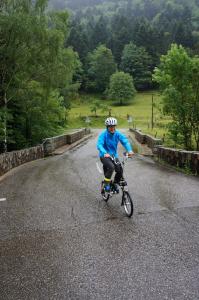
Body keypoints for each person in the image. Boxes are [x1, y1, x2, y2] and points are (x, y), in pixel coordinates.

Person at [97, 117, 134, 192]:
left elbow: (125, 141)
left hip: (114, 156)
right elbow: (99, 145)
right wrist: (104, 153)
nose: (112, 128)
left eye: (113, 126)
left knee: (120, 170)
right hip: (104, 156)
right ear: (107, 127)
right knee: (111, 167)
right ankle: (106, 184)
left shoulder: (117, 134)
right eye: (110, 127)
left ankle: (115, 183)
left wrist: (129, 150)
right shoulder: (103, 135)